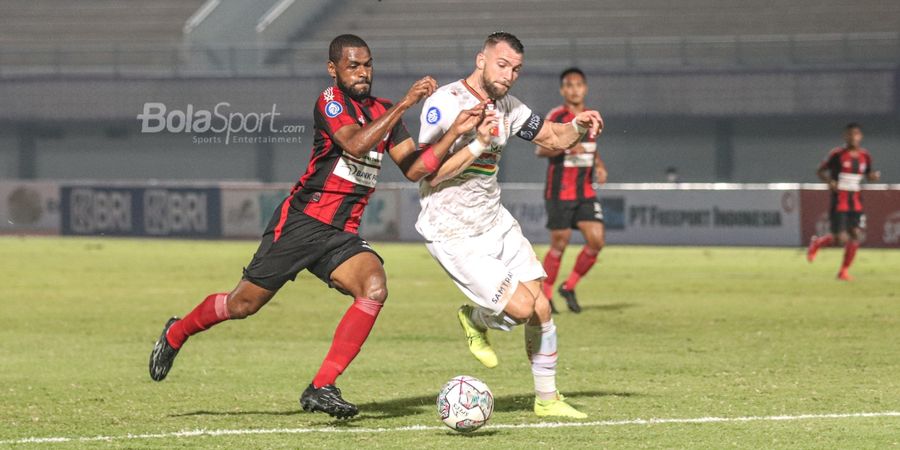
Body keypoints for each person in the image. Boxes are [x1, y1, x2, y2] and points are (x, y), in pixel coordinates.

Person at [147, 34, 480, 419]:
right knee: (242, 305)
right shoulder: (330, 101)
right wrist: (406, 103)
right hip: (302, 223)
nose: (362, 72)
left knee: (374, 286)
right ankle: (177, 332)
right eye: (353, 65)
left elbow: (415, 169)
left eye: (368, 64)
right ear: (333, 69)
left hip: (340, 235)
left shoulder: (384, 111)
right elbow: (355, 145)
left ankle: (321, 387)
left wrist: (457, 134)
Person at [415, 32, 603, 419]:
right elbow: (429, 174)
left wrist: (579, 126)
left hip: (494, 221)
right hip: (452, 229)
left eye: (516, 69)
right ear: (481, 59)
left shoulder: (509, 107)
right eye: (502, 65)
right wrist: (478, 143)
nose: (509, 75)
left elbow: (553, 136)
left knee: (541, 307)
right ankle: (474, 316)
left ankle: (547, 400)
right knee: (519, 309)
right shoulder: (444, 103)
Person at [536, 67, 607, 313]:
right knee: (560, 245)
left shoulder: (593, 116)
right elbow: (541, 149)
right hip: (560, 191)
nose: (574, 89)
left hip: (585, 190)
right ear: (562, 90)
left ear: (585, 88)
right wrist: (566, 146)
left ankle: (569, 285)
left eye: (578, 85)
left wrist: (599, 165)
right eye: (569, 85)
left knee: (596, 241)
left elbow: (592, 146)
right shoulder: (557, 115)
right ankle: (545, 295)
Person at [807, 122, 881, 280]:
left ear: (860, 136)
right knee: (840, 238)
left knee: (855, 235)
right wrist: (829, 182)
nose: (852, 137)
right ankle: (818, 243)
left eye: (856, 134)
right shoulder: (837, 154)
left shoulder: (865, 156)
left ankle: (843, 271)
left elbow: (868, 174)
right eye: (849, 134)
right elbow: (820, 171)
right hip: (839, 200)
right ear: (845, 136)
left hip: (856, 201)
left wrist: (873, 177)